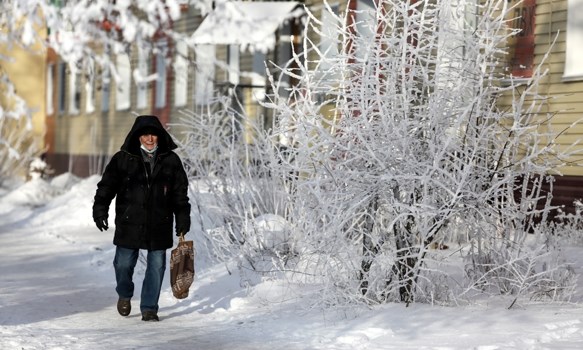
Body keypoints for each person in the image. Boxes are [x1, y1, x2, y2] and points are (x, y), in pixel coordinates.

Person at [93, 115, 191, 322]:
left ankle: (149, 308)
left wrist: (182, 218)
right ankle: (125, 293)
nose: (149, 138)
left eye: (153, 134)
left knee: (156, 266)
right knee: (123, 264)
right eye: (145, 134)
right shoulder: (122, 159)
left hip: (160, 223)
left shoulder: (171, 161)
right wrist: (100, 208)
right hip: (130, 222)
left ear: (159, 136)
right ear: (137, 136)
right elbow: (107, 186)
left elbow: (180, 194)